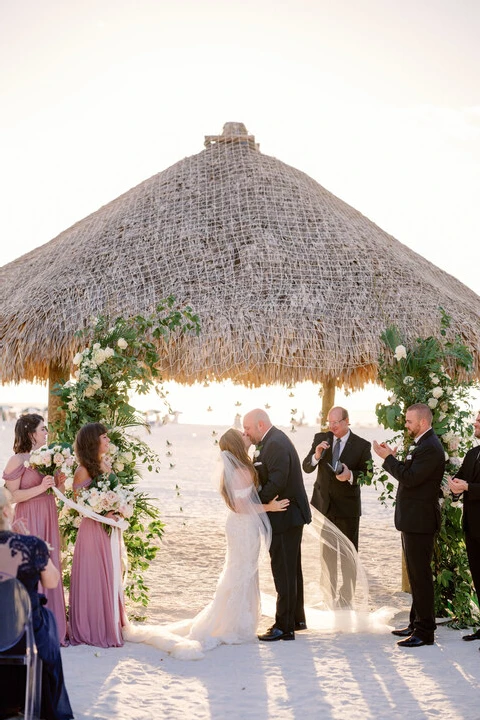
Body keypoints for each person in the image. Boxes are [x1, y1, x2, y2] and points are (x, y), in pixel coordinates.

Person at [123, 428, 289, 659]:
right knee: (241, 571)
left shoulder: (241, 466)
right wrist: (269, 507)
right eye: (242, 435)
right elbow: (241, 506)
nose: (246, 435)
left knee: (242, 570)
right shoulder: (241, 470)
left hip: (241, 525)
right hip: (243, 525)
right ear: (236, 444)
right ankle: (234, 622)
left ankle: (240, 618)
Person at [373, 402, 445, 648]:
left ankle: (425, 632)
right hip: (412, 519)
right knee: (416, 574)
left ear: (423, 422)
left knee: (421, 575)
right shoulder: (421, 444)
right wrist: (393, 457)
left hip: (421, 520)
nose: (406, 425)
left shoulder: (431, 447)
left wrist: (387, 459)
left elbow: (411, 478)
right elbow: (410, 471)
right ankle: (416, 622)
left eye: (409, 421)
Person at [0, 486, 74, 720]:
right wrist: (37, 547)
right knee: (47, 620)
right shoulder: (31, 545)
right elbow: (51, 582)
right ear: (4, 512)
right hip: (21, 637)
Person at [242, 409, 312, 641]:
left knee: (283, 571)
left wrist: (253, 501)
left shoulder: (276, 444)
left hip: (285, 515)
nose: (246, 433)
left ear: (261, 424)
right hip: (286, 515)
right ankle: (296, 620)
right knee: (290, 569)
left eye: (248, 428)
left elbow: (277, 482)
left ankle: (284, 626)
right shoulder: (269, 442)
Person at [2, 413, 68, 644]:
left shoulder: (48, 458)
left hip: (48, 512)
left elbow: (53, 492)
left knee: (50, 560)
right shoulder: (17, 460)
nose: (46, 433)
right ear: (31, 434)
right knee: (30, 566)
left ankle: (55, 625)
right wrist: (41, 487)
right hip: (28, 516)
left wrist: (58, 483)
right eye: (42, 429)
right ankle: (27, 623)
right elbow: (10, 497)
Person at [302, 406, 371, 606]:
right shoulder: (320, 438)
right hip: (324, 508)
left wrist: (350, 475)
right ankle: (328, 597)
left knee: (349, 555)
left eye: (336, 423)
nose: (332, 426)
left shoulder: (361, 445)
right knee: (327, 555)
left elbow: (367, 476)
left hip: (348, 509)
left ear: (347, 421)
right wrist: (316, 455)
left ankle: (346, 599)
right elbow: (306, 467)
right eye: (329, 422)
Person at [68, 423, 127, 648]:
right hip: (92, 530)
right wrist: (104, 512)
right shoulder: (82, 470)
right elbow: (79, 505)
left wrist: (119, 508)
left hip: (108, 528)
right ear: (93, 441)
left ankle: (109, 622)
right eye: (104, 437)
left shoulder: (106, 465)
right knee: (93, 576)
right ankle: (92, 627)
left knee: (109, 574)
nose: (107, 440)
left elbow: (115, 494)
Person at [448, 411, 480, 647]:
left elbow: (471, 485)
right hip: (471, 526)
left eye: (479, 420)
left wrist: (468, 486)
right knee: (478, 578)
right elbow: (461, 479)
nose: (475, 423)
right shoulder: (473, 453)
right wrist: (454, 487)